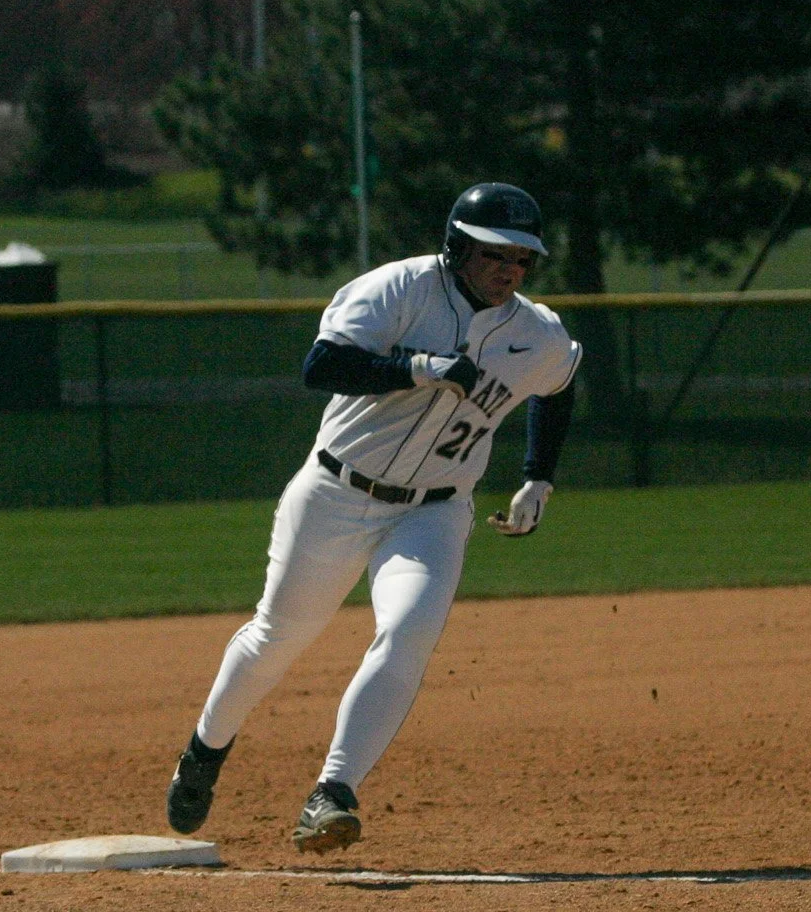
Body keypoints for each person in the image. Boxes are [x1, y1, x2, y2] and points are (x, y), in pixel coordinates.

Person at [164, 182, 581, 853]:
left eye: (523, 258)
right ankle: (204, 751)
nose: (510, 268)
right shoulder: (402, 288)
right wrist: (417, 368)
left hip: (434, 514)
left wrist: (539, 475)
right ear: (459, 246)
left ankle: (334, 790)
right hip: (334, 493)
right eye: (496, 252)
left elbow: (559, 388)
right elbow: (321, 364)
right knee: (279, 635)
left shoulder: (535, 332)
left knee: (408, 633)